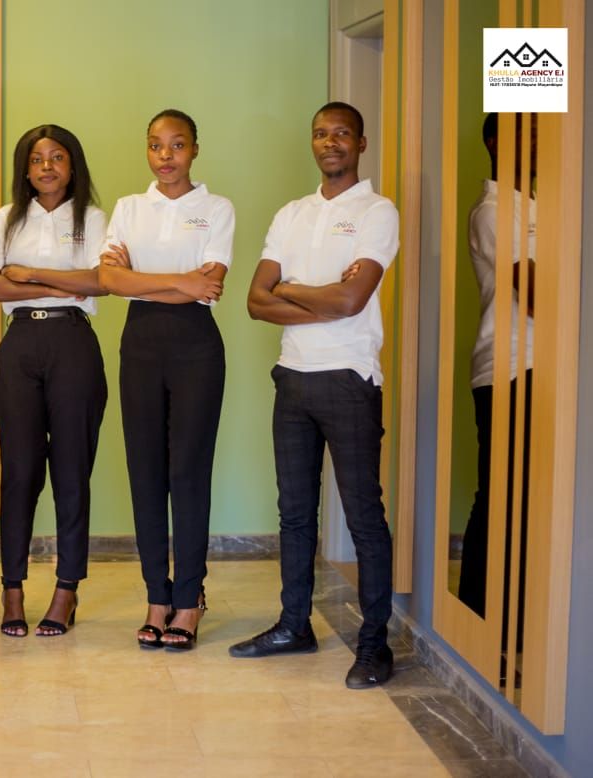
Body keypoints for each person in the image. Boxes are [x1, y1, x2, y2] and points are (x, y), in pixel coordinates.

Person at [235, 101, 399, 689]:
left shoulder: (378, 211)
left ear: (360, 143)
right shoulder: (292, 213)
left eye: (342, 134)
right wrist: (321, 292)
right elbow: (256, 301)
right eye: (321, 134)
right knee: (295, 512)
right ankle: (293, 625)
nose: (330, 142)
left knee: (362, 515)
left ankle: (375, 645)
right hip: (293, 377)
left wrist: (293, 291)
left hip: (349, 379)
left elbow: (353, 302)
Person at [98, 109, 232, 651]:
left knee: (189, 473)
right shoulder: (130, 208)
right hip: (142, 346)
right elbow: (108, 280)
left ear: (195, 149)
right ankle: (158, 596)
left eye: (177, 145)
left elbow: (212, 286)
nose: (166, 156)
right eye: (156, 146)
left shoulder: (216, 208)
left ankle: (189, 598)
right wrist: (181, 280)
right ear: (147, 151)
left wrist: (140, 281)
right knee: (146, 472)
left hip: (197, 347)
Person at [0, 125, 108, 637]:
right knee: (20, 472)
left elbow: (101, 281)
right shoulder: (5, 218)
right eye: (37, 159)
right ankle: (12, 590)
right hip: (22, 343)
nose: (47, 167)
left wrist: (28, 276)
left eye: (58, 158)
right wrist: (58, 282)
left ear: (73, 166)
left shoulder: (93, 219)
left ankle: (66, 590)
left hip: (74, 345)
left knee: (72, 472)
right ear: (25, 169)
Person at [457, 113, 535, 629]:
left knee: (530, 497)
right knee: (502, 495)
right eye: (521, 133)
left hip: (542, 370)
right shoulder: (492, 211)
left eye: (537, 135)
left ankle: (518, 618)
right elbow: (535, 291)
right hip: (508, 367)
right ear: (492, 141)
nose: (533, 144)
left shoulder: (540, 207)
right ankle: (479, 618)